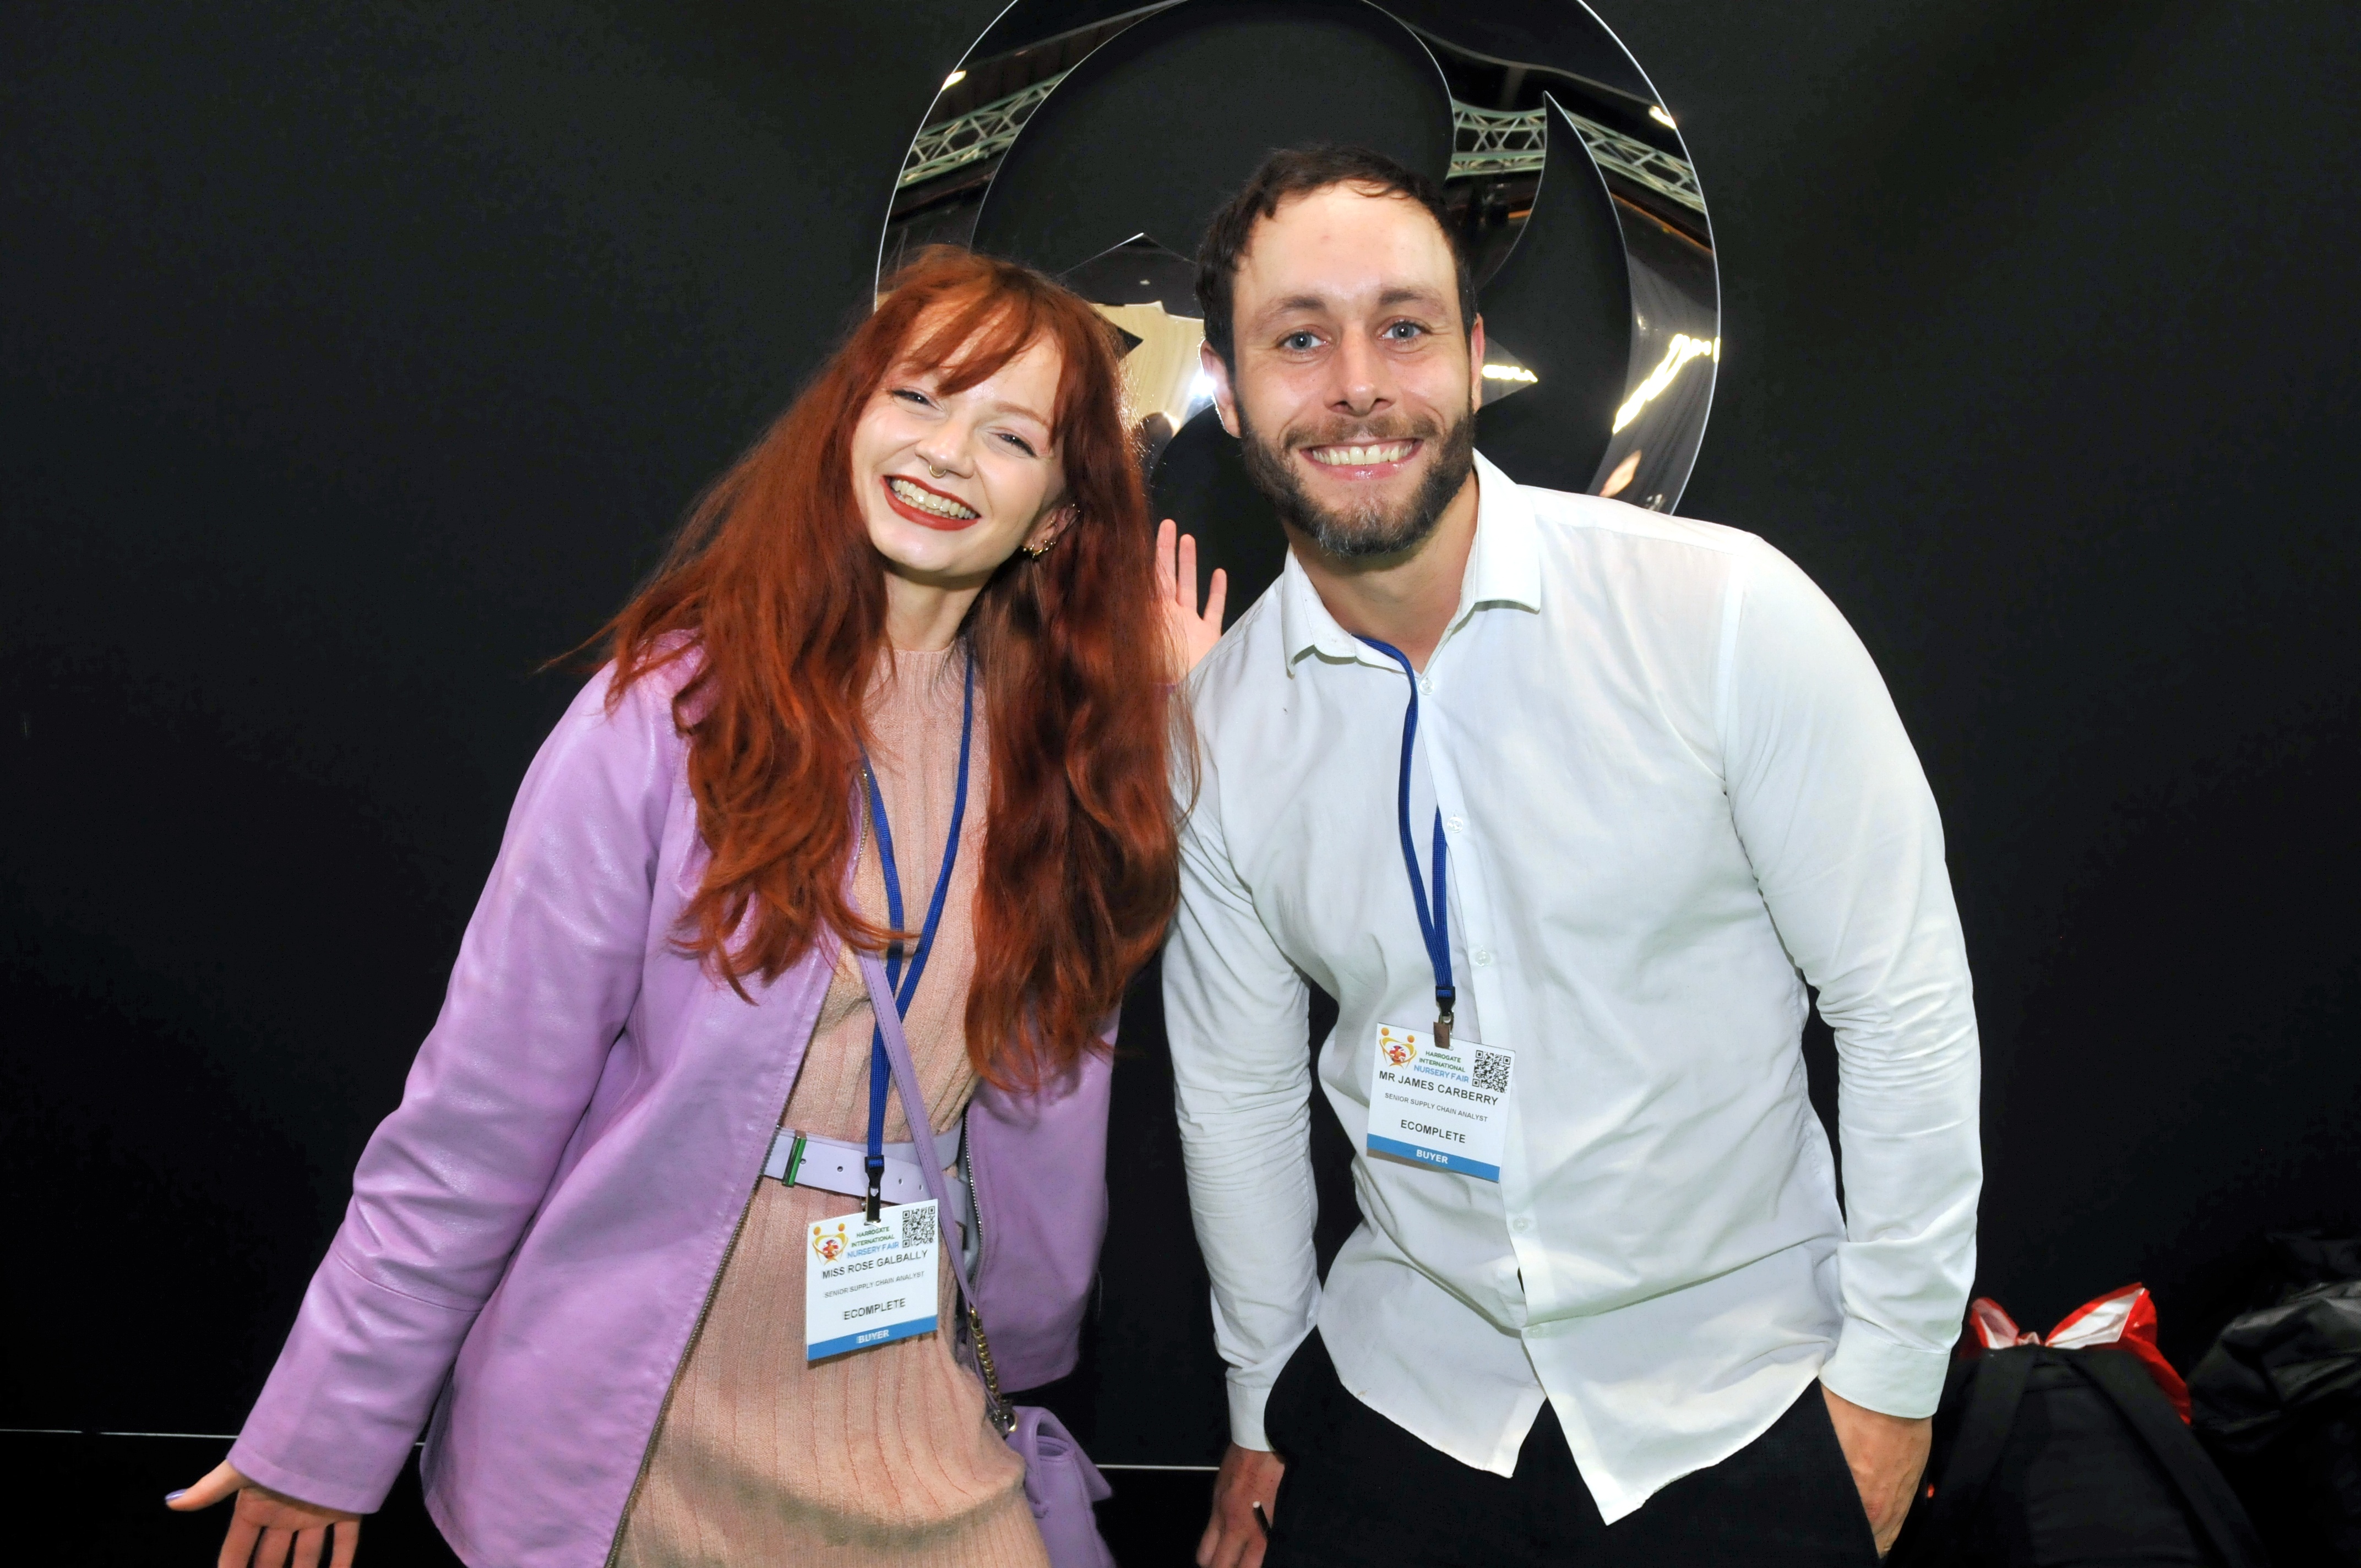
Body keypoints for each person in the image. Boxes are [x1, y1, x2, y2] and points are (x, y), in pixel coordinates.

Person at [167, 245, 1227, 1568]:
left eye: (1010, 435)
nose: (947, 452)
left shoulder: (1052, 770)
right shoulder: (666, 715)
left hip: (915, 1402)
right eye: (917, 396)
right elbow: (480, 1110)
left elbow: (1049, 1090)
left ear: (1056, 515)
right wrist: (328, 1426)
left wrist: (1167, 732)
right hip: (637, 1419)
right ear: (847, 418)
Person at [1167, 146, 1980, 1567]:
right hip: (1404, 1406)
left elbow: (1900, 1000)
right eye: (1298, 339)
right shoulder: (1221, 730)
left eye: (1403, 327)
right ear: (1229, 394)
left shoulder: (1722, 614)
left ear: (1473, 358)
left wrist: (1891, 1389)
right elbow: (1236, 1089)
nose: (1356, 383)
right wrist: (1260, 1402)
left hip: (1740, 1404)